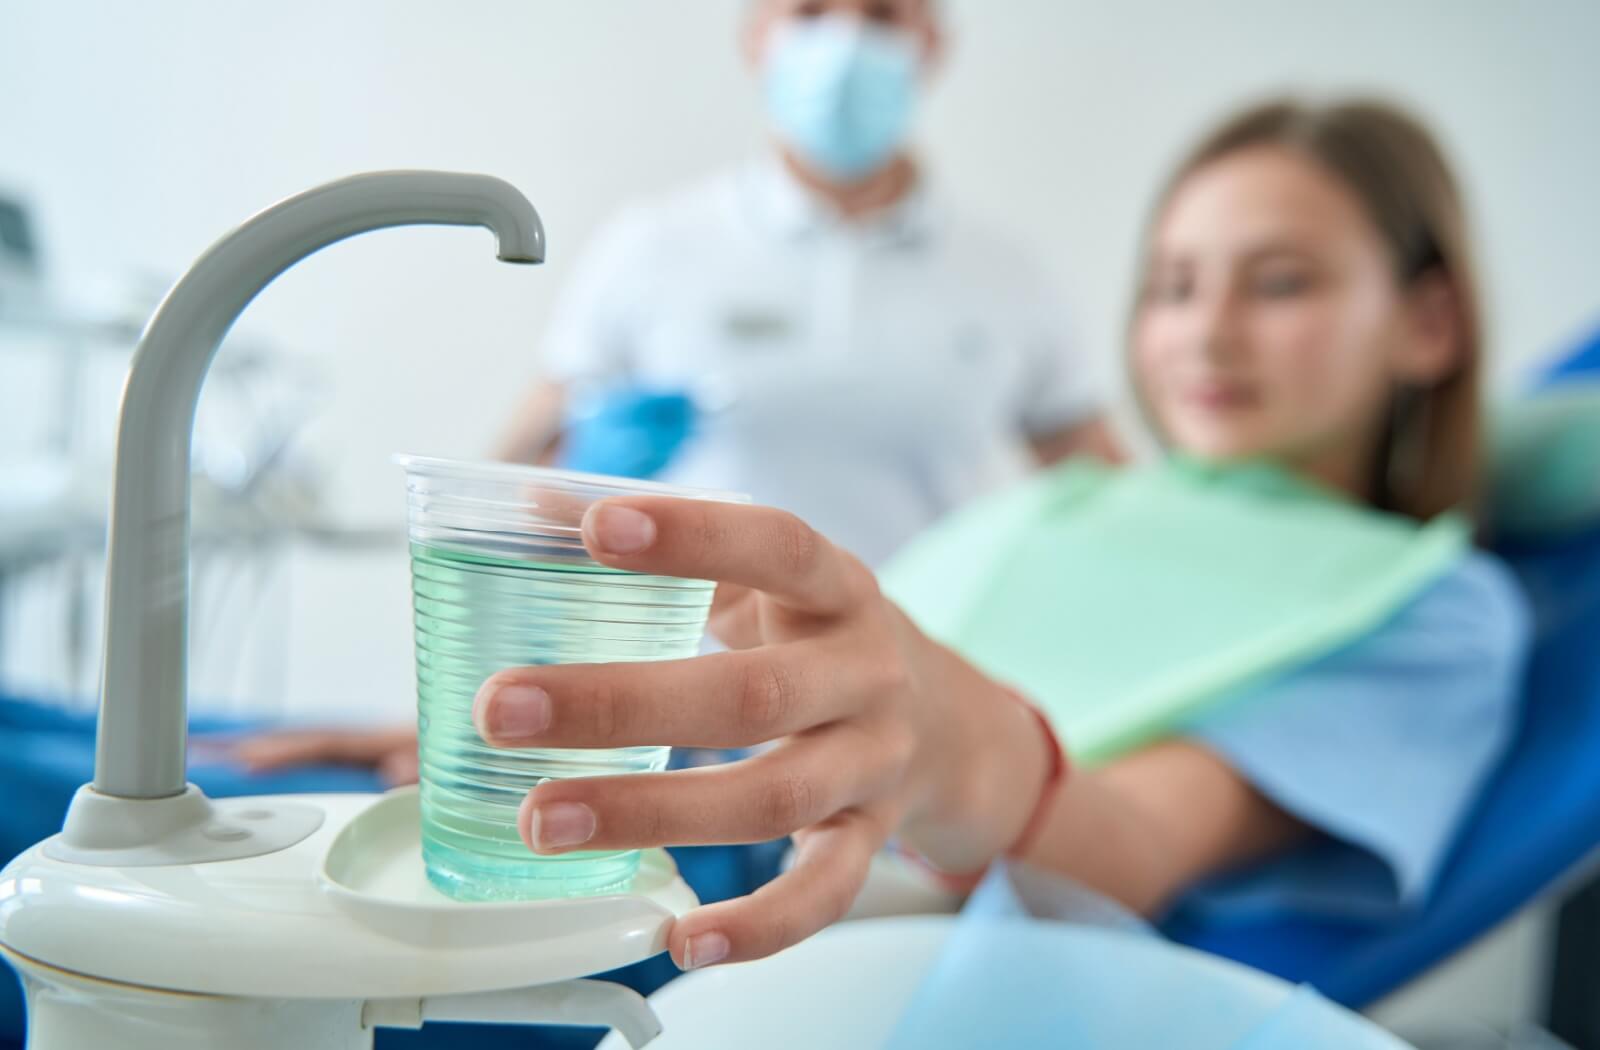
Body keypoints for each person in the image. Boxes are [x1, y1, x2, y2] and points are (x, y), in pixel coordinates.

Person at [452, 97, 1528, 971]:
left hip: (862, 931)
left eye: (1280, 281)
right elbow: (804, 707)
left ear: (1428, 322)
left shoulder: (1431, 608)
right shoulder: (1067, 510)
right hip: (669, 832)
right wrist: (518, 755)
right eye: (1173, 285)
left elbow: (1139, 844)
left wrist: (946, 750)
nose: (1206, 330)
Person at [495, 0, 1117, 569]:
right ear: (756, 37)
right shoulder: (649, 248)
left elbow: (1116, 506)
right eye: (811, 11)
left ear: (931, 45)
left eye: (880, 16)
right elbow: (507, 485)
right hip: (689, 669)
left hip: (924, 676)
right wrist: (575, 472)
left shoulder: (1010, 275)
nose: (845, 43)